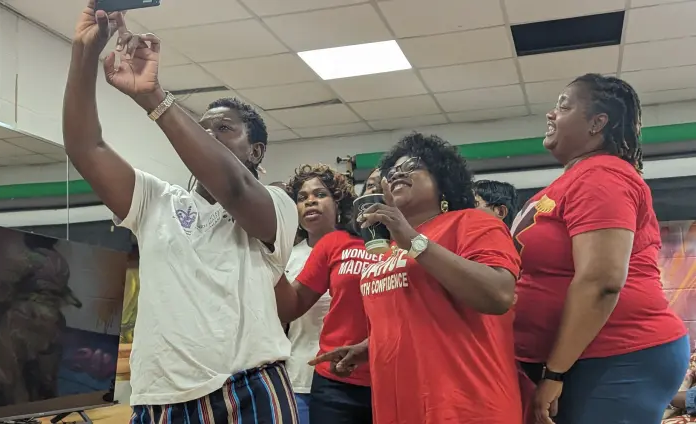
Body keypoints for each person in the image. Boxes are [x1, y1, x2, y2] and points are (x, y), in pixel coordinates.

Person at [63, 2, 299, 423]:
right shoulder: (157, 200)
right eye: (202, 127)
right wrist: (84, 53)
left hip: (246, 389)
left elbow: (235, 188)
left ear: (256, 151)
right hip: (159, 400)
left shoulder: (277, 204)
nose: (208, 135)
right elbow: (86, 148)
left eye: (223, 129)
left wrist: (154, 96)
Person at [511, 73, 689, 424]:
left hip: (618, 354)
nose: (551, 114)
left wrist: (554, 373)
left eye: (563, 106)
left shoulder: (602, 176)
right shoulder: (573, 180)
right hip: (584, 359)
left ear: (597, 123)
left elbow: (601, 280)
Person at [313, 132, 523, 423]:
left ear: (442, 179)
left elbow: (499, 295)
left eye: (411, 166)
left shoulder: (473, 223)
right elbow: (420, 315)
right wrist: (369, 347)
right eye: (392, 171)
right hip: (400, 407)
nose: (398, 172)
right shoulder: (387, 250)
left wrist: (413, 239)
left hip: (465, 407)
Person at [274, 169, 374, 424]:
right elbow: (283, 313)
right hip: (303, 374)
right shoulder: (287, 255)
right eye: (302, 197)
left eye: (320, 194)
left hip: (371, 372)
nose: (310, 201)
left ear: (339, 203)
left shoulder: (366, 246)